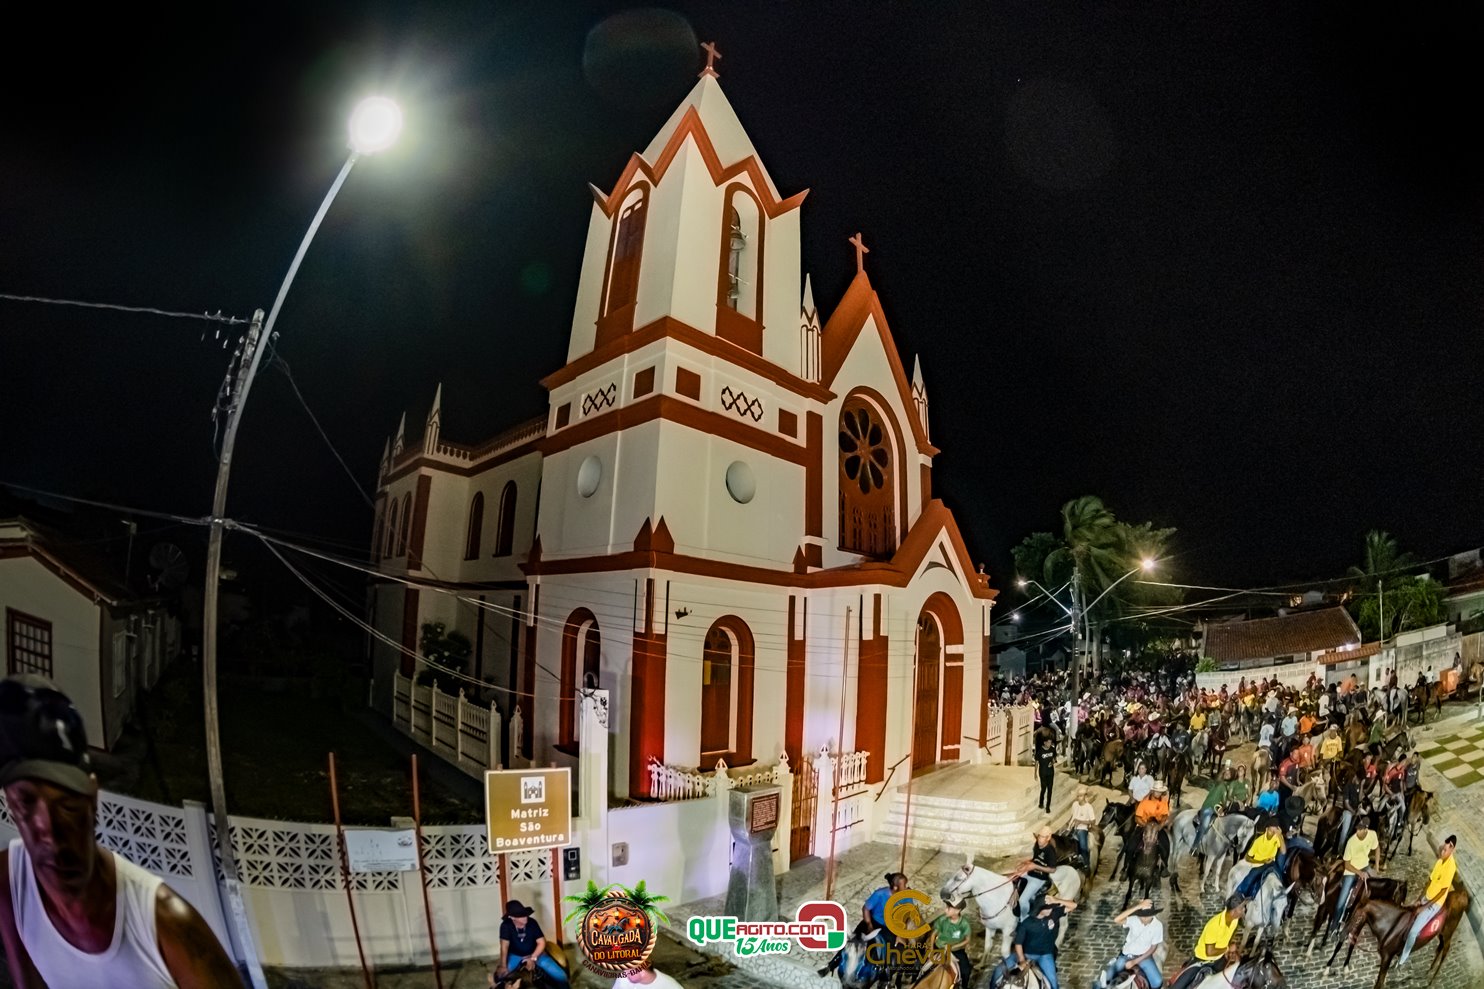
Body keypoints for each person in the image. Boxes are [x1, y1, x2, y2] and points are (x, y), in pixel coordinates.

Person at [0, 674, 245, 989]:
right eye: (27, 802)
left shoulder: (166, 926)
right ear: (10, 801)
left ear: (92, 797)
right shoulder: (10, 884)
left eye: (68, 805)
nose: (51, 833)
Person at [988, 893, 1076, 989]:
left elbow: (1074, 905)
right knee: (998, 971)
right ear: (1041, 910)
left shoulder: (1054, 914)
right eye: (1049, 908)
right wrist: (1021, 959)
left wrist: (1057, 900)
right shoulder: (1026, 924)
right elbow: (1018, 943)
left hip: (1044, 955)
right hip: (1026, 953)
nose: (1051, 909)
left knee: (1053, 982)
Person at [1398, 835, 1457, 967]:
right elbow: (1430, 881)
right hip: (1428, 896)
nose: (1442, 852)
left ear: (1452, 849)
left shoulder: (1451, 867)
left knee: (1413, 932)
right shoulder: (1439, 861)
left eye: (1445, 850)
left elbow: (1442, 891)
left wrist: (1424, 907)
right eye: (1442, 850)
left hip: (1435, 903)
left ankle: (1403, 957)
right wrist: (1420, 898)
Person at [1168, 896, 1245, 989]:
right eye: (1241, 908)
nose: (1244, 909)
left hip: (1219, 959)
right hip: (1202, 960)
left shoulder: (1234, 920)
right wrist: (1227, 949)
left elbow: (1228, 937)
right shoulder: (1214, 925)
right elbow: (1210, 952)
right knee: (1177, 987)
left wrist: (1230, 948)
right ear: (1233, 912)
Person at [494, 900, 567, 987]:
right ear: (512, 917)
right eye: (520, 916)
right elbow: (504, 946)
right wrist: (503, 965)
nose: (525, 917)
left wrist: (533, 958)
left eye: (525, 914)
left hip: (535, 953)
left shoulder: (532, 922)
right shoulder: (506, 926)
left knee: (560, 975)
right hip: (515, 955)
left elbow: (541, 942)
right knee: (500, 976)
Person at [1328, 817, 1379, 937]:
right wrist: (1359, 873)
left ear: (1366, 829)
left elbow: (1377, 848)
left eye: (1360, 829)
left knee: (1375, 889)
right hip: (1351, 870)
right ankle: (1334, 926)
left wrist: (1376, 866)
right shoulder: (1351, 842)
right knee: (1341, 901)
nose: (1357, 832)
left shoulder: (1372, 835)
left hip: (1365, 866)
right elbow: (1347, 864)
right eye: (1357, 829)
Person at [1096, 899, 1163, 989]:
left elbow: (1153, 948)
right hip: (1127, 955)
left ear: (1153, 914)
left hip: (1144, 956)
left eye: (1147, 916)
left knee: (1157, 982)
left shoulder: (1158, 925)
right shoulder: (1134, 920)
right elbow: (1117, 919)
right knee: (1103, 982)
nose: (1144, 918)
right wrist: (1137, 906)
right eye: (1142, 916)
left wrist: (1135, 961)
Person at [1015, 827, 1061, 919]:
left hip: (1039, 878)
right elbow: (1036, 859)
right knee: (1012, 879)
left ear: (1048, 838)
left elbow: (1053, 869)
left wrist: (1035, 866)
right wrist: (1026, 863)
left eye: (1043, 837)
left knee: (1023, 900)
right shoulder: (1037, 844)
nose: (1040, 839)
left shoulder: (1050, 851)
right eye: (1039, 836)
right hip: (1030, 872)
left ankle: (1024, 919)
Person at [930, 896, 973, 989]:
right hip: (940, 949)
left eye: (949, 908)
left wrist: (953, 947)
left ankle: (964, 986)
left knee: (966, 971)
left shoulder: (964, 924)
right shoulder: (942, 920)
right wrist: (931, 950)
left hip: (957, 951)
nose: (946, 910)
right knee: (924, 968)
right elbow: (933, 935)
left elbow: (967, 940)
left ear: (957, 911)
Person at [1235, 824, 1286, 899]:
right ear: (1267, 829)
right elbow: (1248, 858)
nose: (1273, 833)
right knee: (1250, 878)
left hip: (1271, 864)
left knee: (1280, 879)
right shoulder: (1258, 841)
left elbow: (1283, 851)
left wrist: (1279, 835)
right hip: (1259, 863)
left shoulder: (1276, 837)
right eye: (1271, 831)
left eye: (1275, 831)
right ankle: (1240, 894)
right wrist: (1263, 861)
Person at [1068, 786, 1097, 866]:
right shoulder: (1075, 804)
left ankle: (1086, 864)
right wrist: (1068, 824)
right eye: (1078, 796)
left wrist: (1080, 821)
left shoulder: (1088, 807)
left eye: (1080, 796)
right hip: (1072, 827)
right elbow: (1072, 816)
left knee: (1083, 847)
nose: (1078, 798)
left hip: (1082, 829)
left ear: (1085, 796)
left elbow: (1093, 821)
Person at [610, 965, 682, 988]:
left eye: (629, 971)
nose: (625, 972)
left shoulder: (671, 986)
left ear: (642, 972)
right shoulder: (624, 978)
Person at [1037, 734, 1057, 812]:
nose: (1049, 744)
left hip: (1050, 772)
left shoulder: (1052, 749)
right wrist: (1035, 773)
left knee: (1050, 789)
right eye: (1048, 742)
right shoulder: (1040, 751)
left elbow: (1055, 758)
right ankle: (1041, 803)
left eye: (1050, 743)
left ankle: (1048, 806)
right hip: (1042, 772)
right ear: (1045, 743)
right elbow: (1036, 762)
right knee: (1043, 788)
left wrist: (1052, 762)